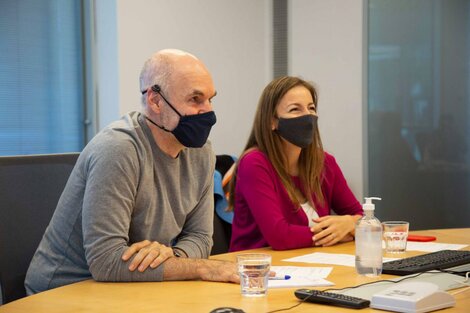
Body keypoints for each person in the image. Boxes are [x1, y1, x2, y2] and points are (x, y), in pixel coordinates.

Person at [25, 49, 239, 295]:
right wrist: (200, 268)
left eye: (210, 99)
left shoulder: (201, 152)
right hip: (64, 292)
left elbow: (200, 237)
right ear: (155, 101)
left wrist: (173, 256)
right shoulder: (118, 149)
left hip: (132, 286)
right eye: (195, 99)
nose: (208, 111)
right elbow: (105, 262)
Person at [228, 76, 363, 252]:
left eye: (311, 108)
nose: (307, 116)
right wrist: (338, 235)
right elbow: (280, 236)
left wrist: (350, 223)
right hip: (256, 272)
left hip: (312, 267)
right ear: (272, 122)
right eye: (295, 109)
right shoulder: (254, 163)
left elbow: (363, 217)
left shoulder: (324, 163)